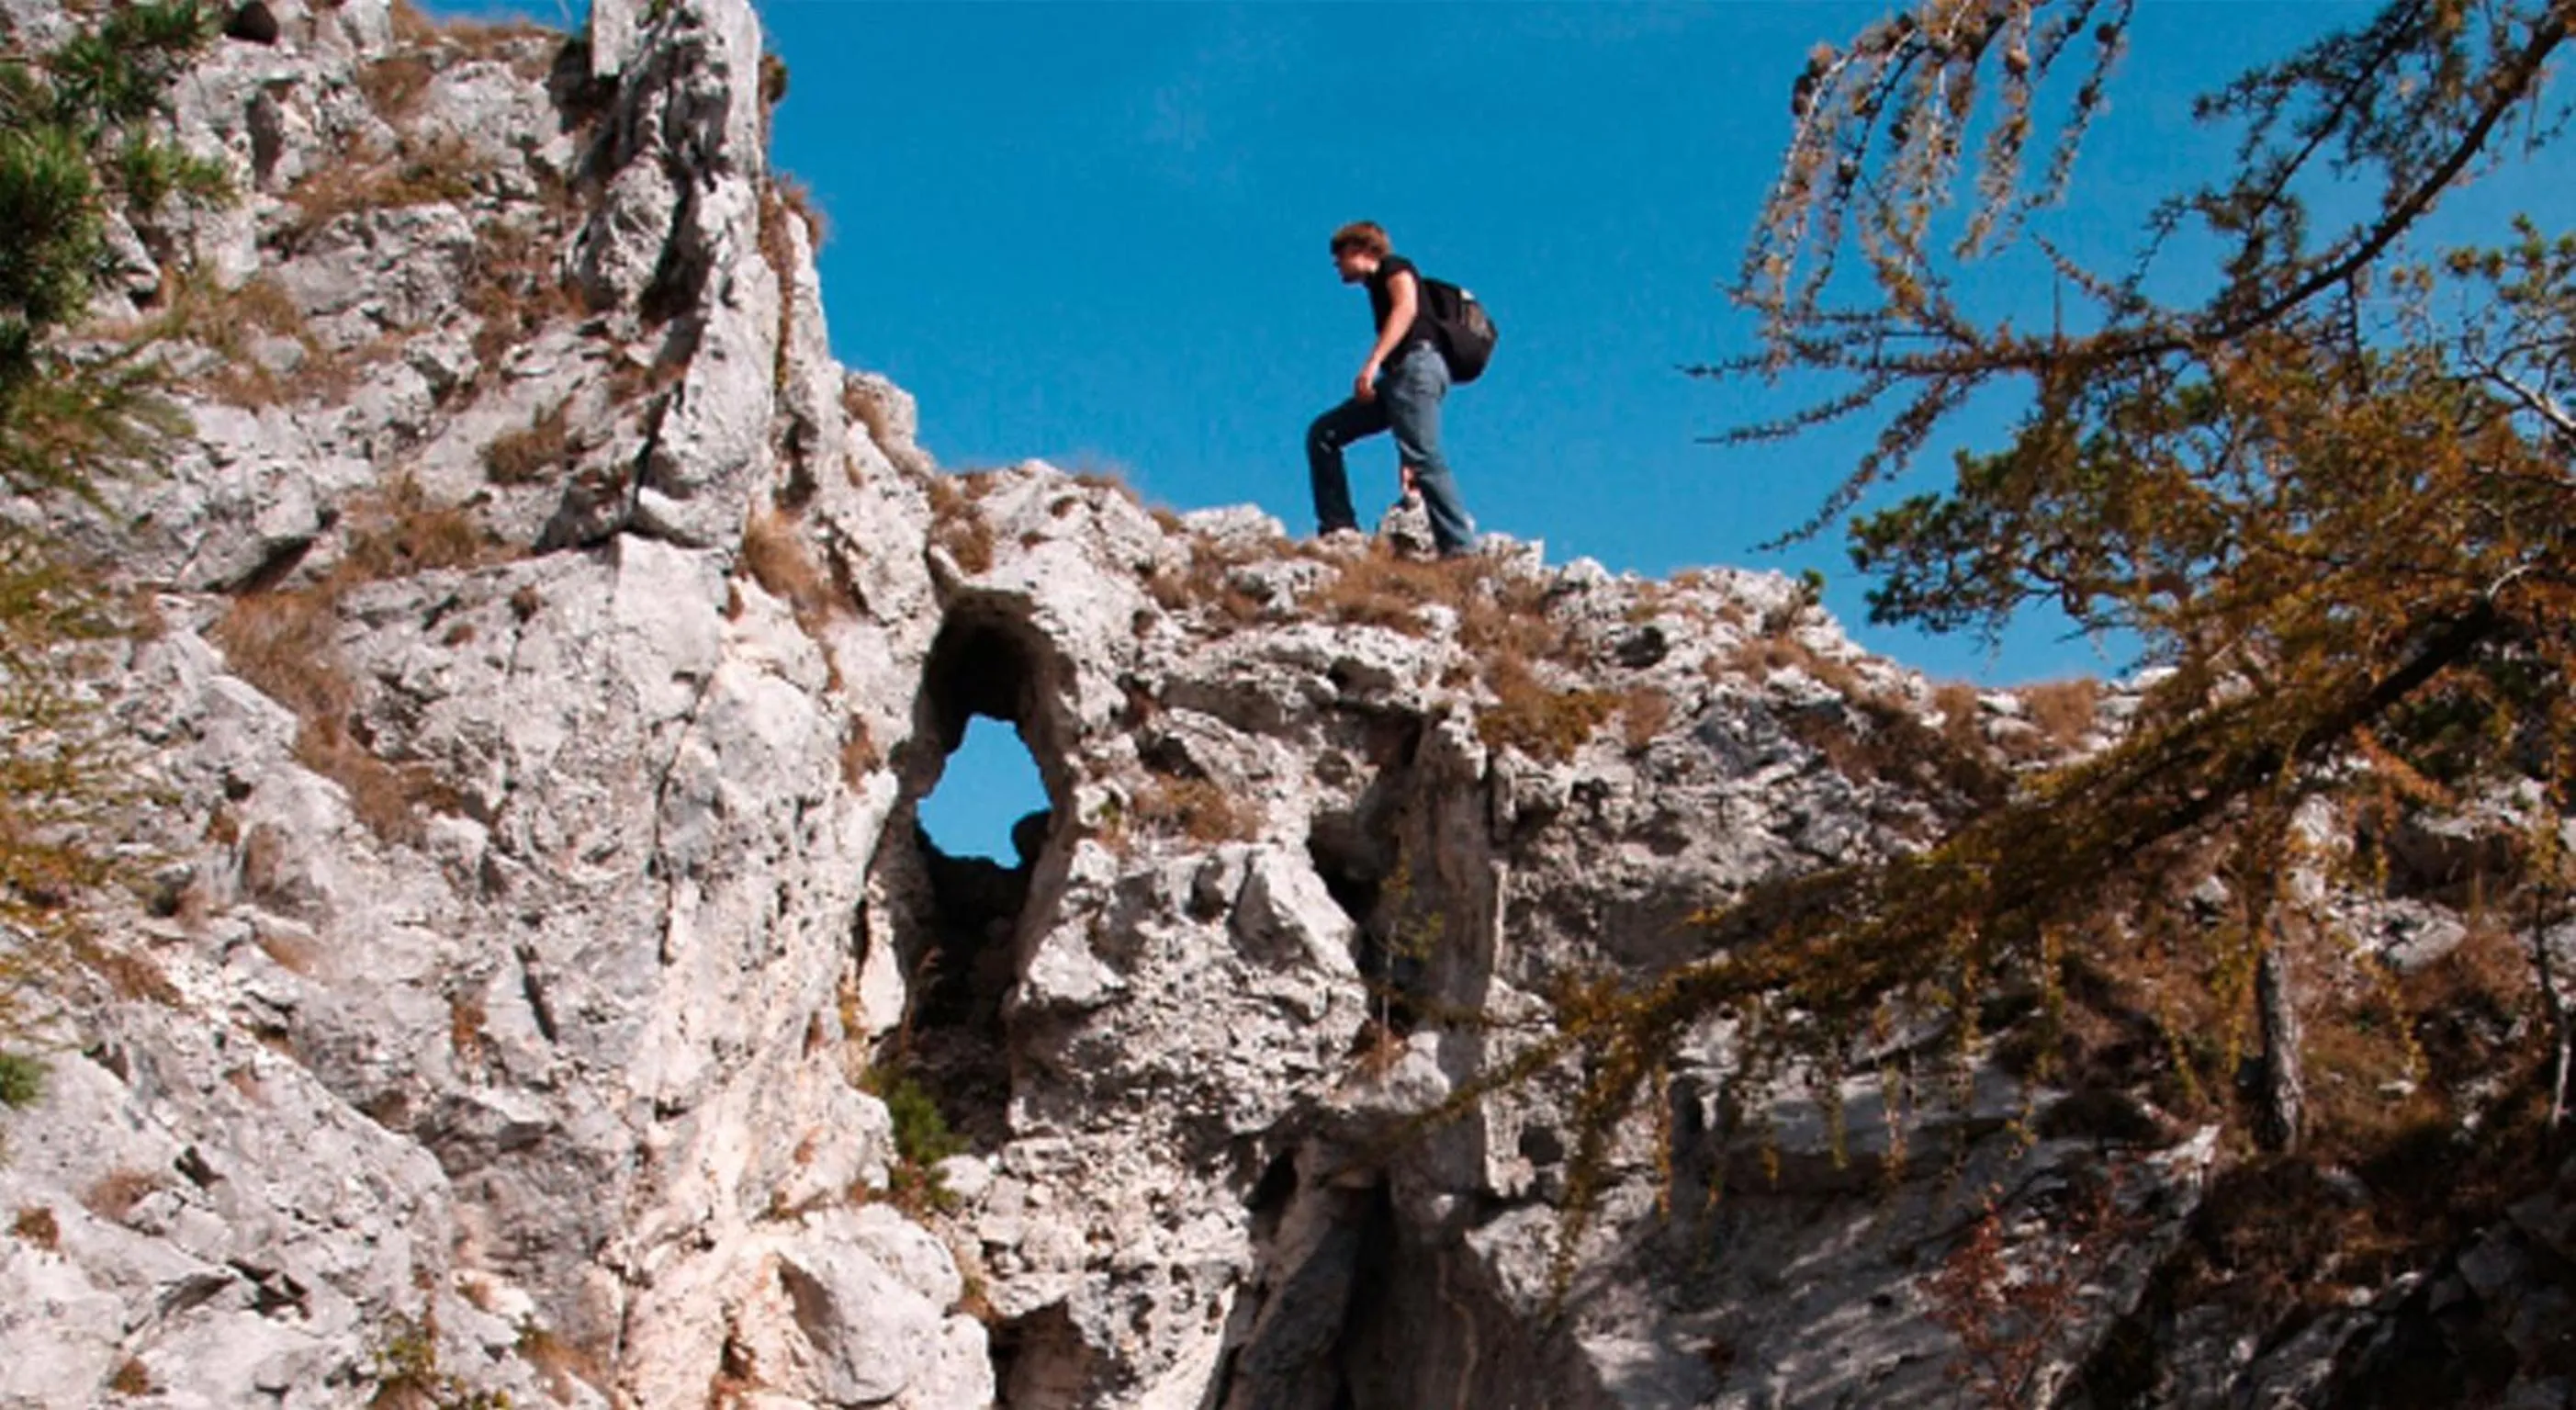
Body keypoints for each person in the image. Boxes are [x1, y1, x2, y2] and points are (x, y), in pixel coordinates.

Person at [1306, 221, 1478, 556]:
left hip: (1415, 368)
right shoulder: (1376, 286)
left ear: (1362, 250)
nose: (1337, 264)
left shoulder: (1394, 267)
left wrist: (1372, 363)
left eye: (1341, 255)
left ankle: (1461, 549)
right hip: (1404, 376)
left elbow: (1406, 308)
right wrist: (1405, 449)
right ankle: (1338, 527)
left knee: (1425, 458)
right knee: (1324, 434)